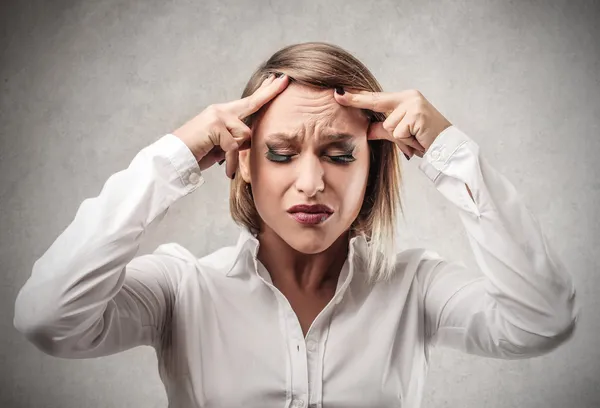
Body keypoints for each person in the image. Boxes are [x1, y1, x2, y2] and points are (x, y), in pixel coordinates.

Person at [13, 42, 580, 408]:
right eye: (281, 154)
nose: (311, 183)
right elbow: (47, 318)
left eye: (339, 154)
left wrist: (449, 153)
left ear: (373, 166)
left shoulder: (415, 288)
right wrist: (177, 155)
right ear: (239, 163)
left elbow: (543, 320)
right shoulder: (181, 289)